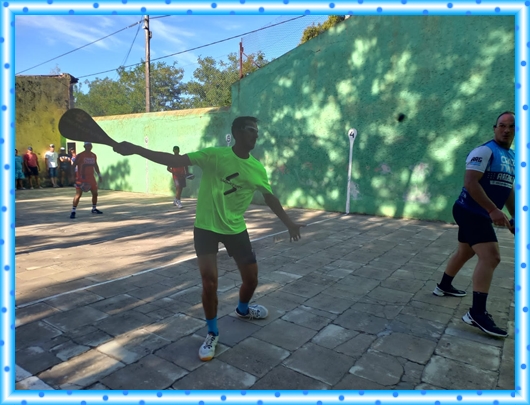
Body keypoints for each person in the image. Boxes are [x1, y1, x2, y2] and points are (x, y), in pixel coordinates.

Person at [113, 116, 305, 361]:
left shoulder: (257, 168)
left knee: (251, 280)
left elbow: (269, 197)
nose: (255, 134)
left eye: (257, 131)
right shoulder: (214, 155)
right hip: (206, 228)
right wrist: (137, 149)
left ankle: (243, 310)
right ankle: (212, 332)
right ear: (237, 132)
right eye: (250, 130)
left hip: (235, 229)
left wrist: (289, 223)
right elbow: (175, 160)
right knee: (209, 282)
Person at [433, 111, 515, 338]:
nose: (506, 130)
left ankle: (443, 286)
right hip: (470, 211)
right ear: (495, 128)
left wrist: (514, 217)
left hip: (480, 213)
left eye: (511, 126)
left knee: (465, 251)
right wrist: (492, 210)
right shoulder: (484, 151)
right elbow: (470, 182)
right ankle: (476, 313)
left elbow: (507, 188)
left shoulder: (512, 156)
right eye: (502, 125)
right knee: (491, 257)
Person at [70, 142, 103, 219]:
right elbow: (73, 165)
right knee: (78, 195)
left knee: (95, 193)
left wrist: (99, 175)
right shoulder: (80, 155)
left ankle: (94, 209)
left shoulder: (93, 155)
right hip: (81, 178)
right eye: (87, 145)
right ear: (84, 146)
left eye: (90, 145)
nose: (89, 147)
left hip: (91, 178)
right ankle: (73, 211)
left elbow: (95, 165)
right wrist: (72, 176)